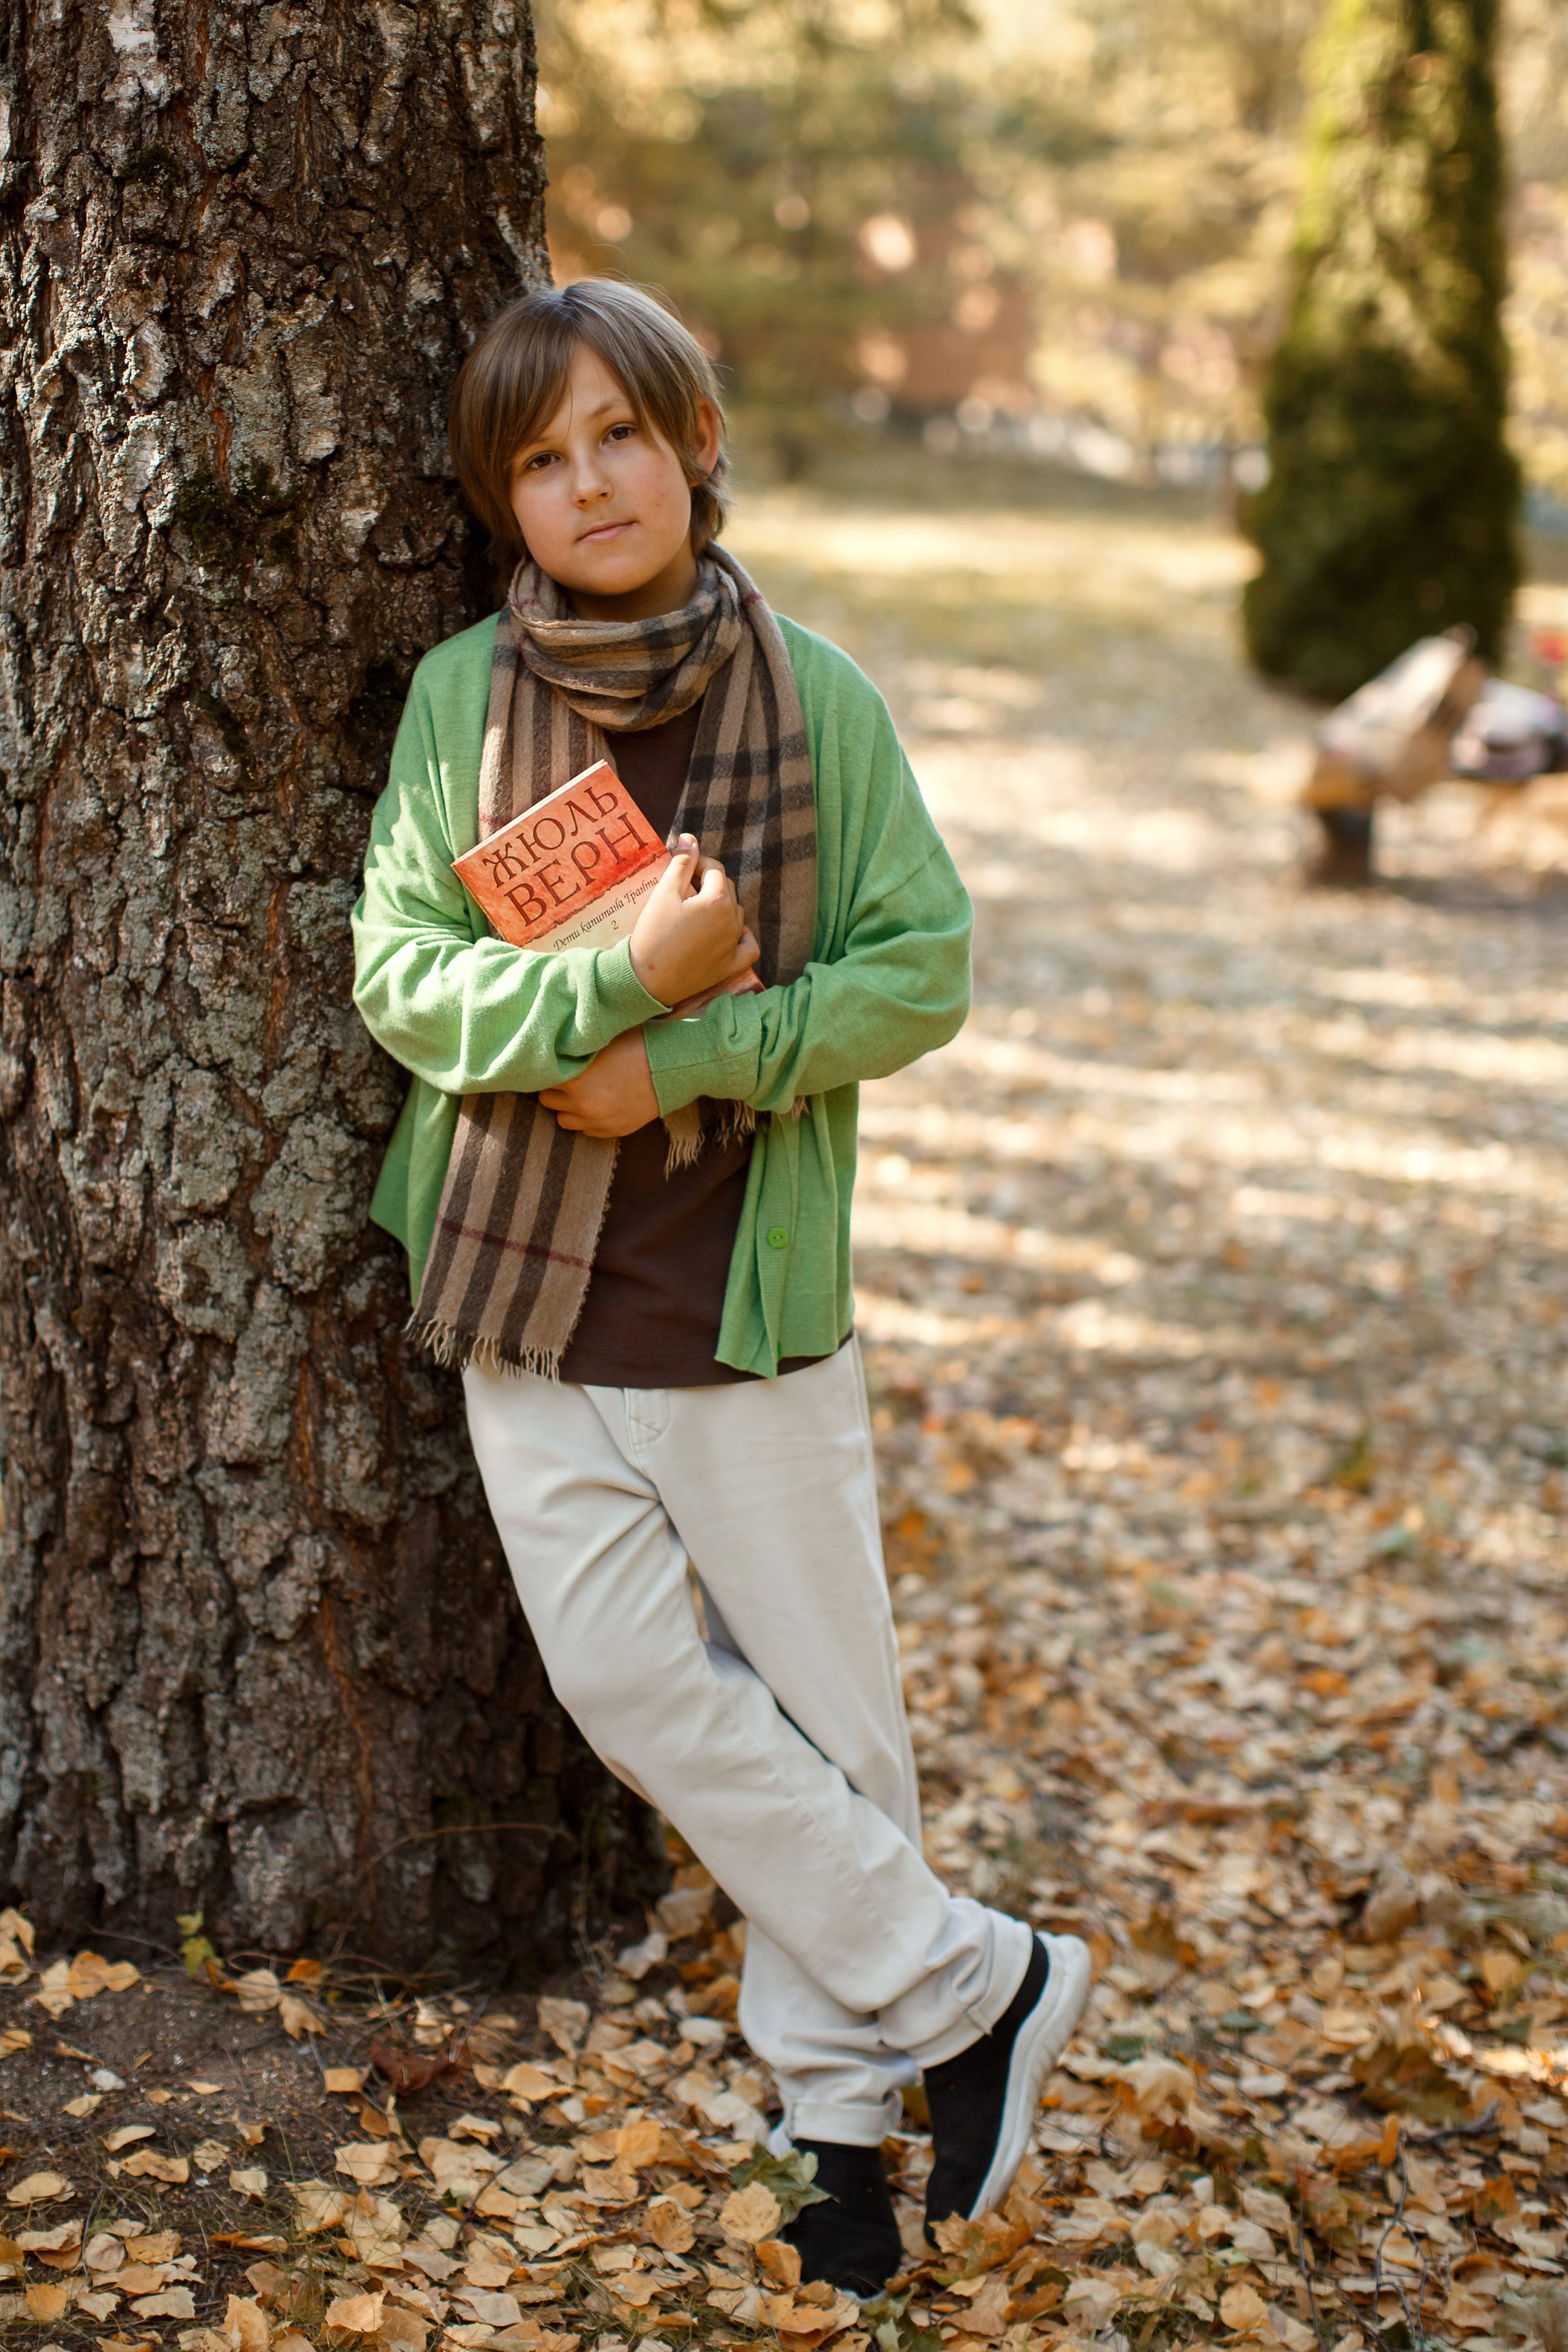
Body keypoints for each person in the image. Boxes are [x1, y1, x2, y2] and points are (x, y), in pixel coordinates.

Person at [350, 277, 1090, 2294]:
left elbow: (917, 968)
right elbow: (402, 976)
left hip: (741, 1308)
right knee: (624, 1682)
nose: (592, 479)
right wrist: (614, 983)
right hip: (527, 1304)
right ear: (506, 500)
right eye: (543, 454)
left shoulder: (817, 697)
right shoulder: (459, 704)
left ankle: (832, 2129)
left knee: (837, 1727)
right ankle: (979, 1986)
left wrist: (682, 1057)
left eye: (621, 433)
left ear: (694, 446)